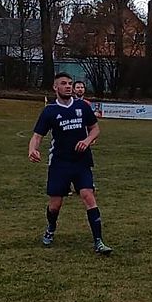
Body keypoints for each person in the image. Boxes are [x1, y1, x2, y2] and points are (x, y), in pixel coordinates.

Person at [28, 72, 113, 255]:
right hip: (59, 163)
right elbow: (37, 136)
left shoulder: (82, 106)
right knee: (55, 205)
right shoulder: (49, 111)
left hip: (81, 161)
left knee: (88, 196)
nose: (68, 86)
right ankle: (51, 227)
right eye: (63, 83)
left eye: (70, 83)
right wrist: (32, 149)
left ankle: (98, 241)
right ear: (55, 87)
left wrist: (87, 140)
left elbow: (95, 129)